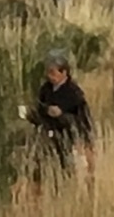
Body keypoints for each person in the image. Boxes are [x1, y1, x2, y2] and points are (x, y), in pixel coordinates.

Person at [24, 50, 93, 179]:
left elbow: (83, 120)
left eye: (53, 72)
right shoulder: (46, 89)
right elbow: (40, 107)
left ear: (64, 72)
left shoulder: (74, 93)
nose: (49, 76)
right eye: (48, 72)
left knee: (69, 171)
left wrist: (61, 115)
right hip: (49, 137)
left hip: (70, 139)